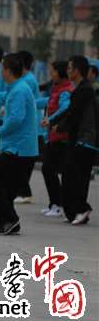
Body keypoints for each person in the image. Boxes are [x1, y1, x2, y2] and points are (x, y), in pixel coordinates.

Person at [0, 54, 38, 235]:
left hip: (18, 149)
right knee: (3, 186)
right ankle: (4, 223)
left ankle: (10, 220)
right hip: (17, 148)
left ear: (6, 70)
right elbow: (1, 97)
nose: (0, 71)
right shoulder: (15, 88)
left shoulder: (20, 90)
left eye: (1, 68)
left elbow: (15, 119)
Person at [49, 56, 98, 225]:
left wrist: (60, 127)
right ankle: (76, 212)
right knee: (77, 177)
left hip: (84, 140)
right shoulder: (81, 89)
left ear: (77, 71)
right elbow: (70, 110)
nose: (67, 71)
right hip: (81, 140)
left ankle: (81, 208)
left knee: (72, 177)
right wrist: (53, 121)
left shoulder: (84, 90)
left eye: (69, 68)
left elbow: (74, 116)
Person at [35, 61, 73, 217]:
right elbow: (47, 102)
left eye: (53, 71)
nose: (51, 73)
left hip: (61, 138)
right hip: (53, 136)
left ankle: (58, 205)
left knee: (50, 169)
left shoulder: (66, 91)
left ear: (61, 72)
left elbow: (65, 108)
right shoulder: (56, 89)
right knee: (49, 169)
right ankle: (55, 203)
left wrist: (51, 120)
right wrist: (30, 102)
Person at [13, 50, 41, 203]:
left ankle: (24, 192)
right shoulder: (25, 79)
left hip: (29, 124)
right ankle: (22, 191)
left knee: (24, 159)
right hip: (28, 124)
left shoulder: (28, 80)